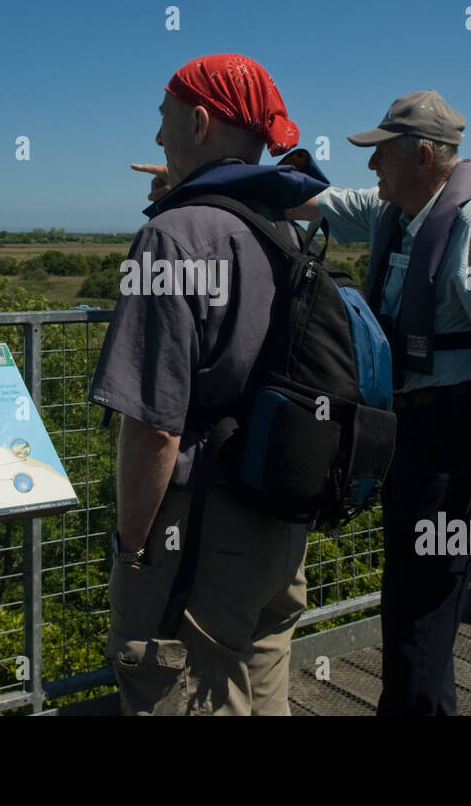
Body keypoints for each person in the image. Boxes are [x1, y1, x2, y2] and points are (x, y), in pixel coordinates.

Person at [287, 89, 471, 715]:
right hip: (407, 432)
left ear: (424, 155)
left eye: (382, 154)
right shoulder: (396, 214)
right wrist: (199, 177)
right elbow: (307, 199)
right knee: (406, 592)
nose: (371, 168)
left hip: (453, 434)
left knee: (426, 602)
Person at [89, 54, 328, 715]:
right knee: (262, 688)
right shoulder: (282, 225)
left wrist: (132, 546)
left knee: (173, 684)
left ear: (198, 123)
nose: (157, 135)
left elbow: (156, 425)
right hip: (278, 520)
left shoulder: (171, 236)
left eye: (164, 118)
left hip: (197, 532)